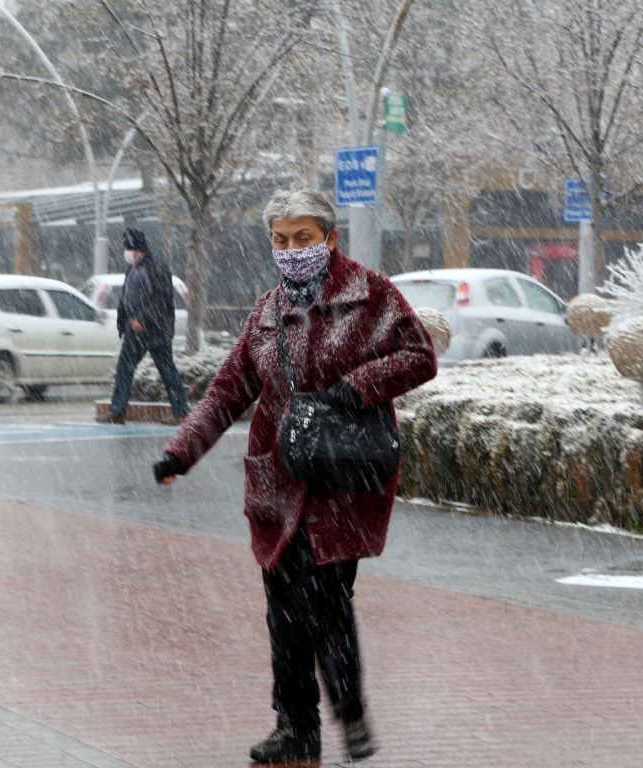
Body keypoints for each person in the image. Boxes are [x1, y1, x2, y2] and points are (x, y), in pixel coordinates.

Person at [152, 190, 437, 763]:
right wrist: (180, 452)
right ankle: (295, 727)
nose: (290, 250)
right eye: (280, 240)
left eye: (302, 238)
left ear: (329, 239)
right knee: (283, 612)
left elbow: (419, 356)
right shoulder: (265, 312)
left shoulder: (370, 295)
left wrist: (353, 390)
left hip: (341, 479)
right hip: (278, 480)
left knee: (327, 602)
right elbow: (229, 390)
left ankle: (351, 715)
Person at [102, 228, 190, 424]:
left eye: (129, 249)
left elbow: (161, 299)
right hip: (135, 329)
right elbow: (127, 296)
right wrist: (125, 320)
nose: (127, 253)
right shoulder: (133, 268)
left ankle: (181, 412)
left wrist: (142, 319)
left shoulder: (155, 267)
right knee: (125, 368)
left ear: (139, 249)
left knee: (166, 369)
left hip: (154, 329)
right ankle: (118, 411)